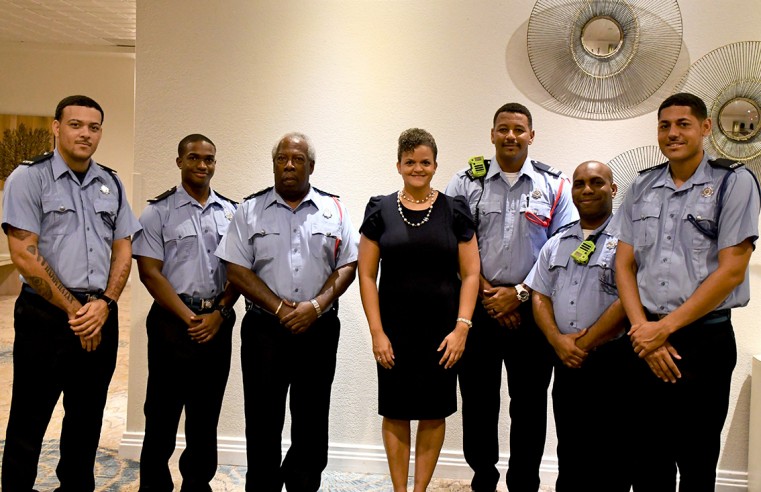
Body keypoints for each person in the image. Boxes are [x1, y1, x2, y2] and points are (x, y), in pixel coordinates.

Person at [616, 92, 761, 491]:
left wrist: (663, 330)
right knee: (647, 459)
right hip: (644, 336)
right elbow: (624, 264)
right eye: (664, 125)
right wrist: (644, 330)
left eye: (683, 124)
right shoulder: (642, 185)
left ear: (705, 127)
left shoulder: (734, 182)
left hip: (703, 341)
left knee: (697, 458)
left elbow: (731, 271)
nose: (673, 133)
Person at [1, 95, 141, 491]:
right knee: (29, 419)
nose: (85, 134)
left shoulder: (111, 182)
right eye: (75, 124)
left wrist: (106, 303)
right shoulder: (29, 178)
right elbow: (24, 254)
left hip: (99, 314)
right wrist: (77, 310)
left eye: (93, 127)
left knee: (86, 419)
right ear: (56, 127)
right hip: (45, 317)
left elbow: (123, 248)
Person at [215, 132, 358, 492]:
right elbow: (236, 270)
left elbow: (348, 265)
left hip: (318, 329)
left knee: (312, 416)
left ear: (311, 166)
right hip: (264, 330)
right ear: (274, 164)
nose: (289, 165)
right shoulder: (249, 210)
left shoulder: (335, 209)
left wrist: (316, 306)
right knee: (262, 417)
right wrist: (279, 308)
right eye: (282, 159)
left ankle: (303, 484)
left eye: (297, 159)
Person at [445, 102, 577, 491]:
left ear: (531, 136)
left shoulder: (555, 185)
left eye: (519, 129)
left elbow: (564, 248)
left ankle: (523, 484)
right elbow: (449, 241)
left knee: (530, 405)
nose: (511, 136)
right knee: (478, 402)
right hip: (477, 309)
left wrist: (518, 293)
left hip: (533, 312)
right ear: (492, 134)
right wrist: (489, 293)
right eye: (503, 128)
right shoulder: (465, 182)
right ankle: (483, 479)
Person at [357, 128, 480, 491]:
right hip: (394, 331)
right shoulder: (380, 209)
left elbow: (471, 274)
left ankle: (420, 490)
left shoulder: (454, 210)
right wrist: (377, 333)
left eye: (425, 162)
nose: (417, 168)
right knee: (395, 411)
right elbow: (366, 275)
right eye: (409, 161)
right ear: (398, 165)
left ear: (435, 165)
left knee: (433, 412)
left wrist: (462, 328)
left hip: (442, 333)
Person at [132, 134, 240, 491]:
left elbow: (241, 272)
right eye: (194, 157)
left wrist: (219, 314)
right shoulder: (158, 212)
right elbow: (150, 272)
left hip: (217, 323)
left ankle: (197, 484)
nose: (202, 165)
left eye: (209, 159)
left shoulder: (232, 213)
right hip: (171, 324)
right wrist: (188, 318)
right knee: (161, 414)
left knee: (205, 416)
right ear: (179, 161)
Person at [525, 161, 632, 491]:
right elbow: (539, 295)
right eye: (580, 183)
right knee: (570, 448)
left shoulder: (628, 241)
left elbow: (629, 300)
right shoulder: (557, 241)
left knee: (613, 452)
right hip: (566, 361)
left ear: (613, 189)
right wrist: (557, 340)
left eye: (597, 182)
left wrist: (583, 344)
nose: (587, 190)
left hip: (612, 361)